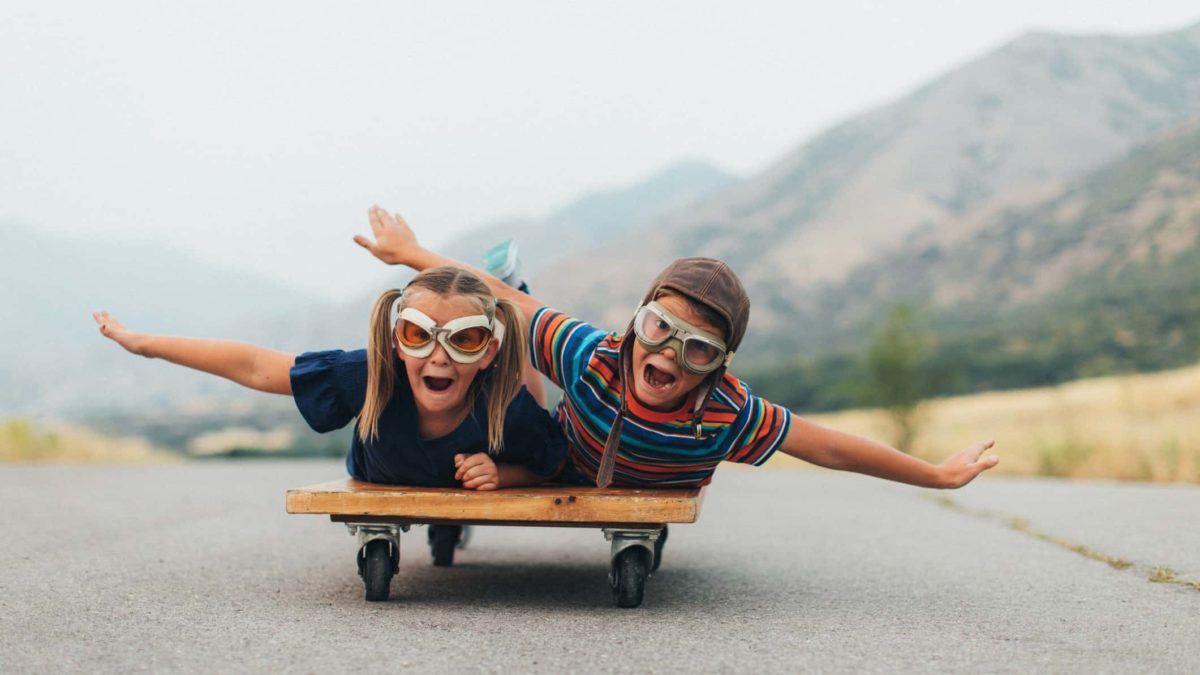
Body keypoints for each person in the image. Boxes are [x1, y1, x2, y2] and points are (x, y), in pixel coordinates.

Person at [354, 206, 999, 491]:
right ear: (637, 324)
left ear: (719, 366)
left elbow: (827, 445)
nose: (668, 357)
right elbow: (496, 296)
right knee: (515, 329)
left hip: (639, 472)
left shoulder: (729, 410)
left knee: (521, 325)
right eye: (661, 330)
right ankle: (527, 289)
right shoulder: (596, 355)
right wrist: (411, 254)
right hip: (563, 453)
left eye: (697, 351)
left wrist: (936, 475)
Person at [93, 265, 566, 489]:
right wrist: (145, 345)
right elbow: (258, 367)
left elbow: (551, 462)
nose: (439, 357)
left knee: (516, 395)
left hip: (497, 407)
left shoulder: (508, 412)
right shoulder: (368, 376)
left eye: (462, 341)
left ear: (486, 352)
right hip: (387, 469)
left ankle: (514, 295)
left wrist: (502, 474)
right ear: (398, 341)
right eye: (419, 335)